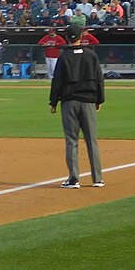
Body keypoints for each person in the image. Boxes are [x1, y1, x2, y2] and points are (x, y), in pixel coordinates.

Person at [49, 22, 105, 189]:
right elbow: (99, 79)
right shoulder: (91, 55)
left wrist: (53, 101)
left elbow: (57, 81)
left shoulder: (64, 57)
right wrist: (99, 100)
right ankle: (97, 178)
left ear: (67, 38)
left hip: (69, 102)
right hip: (88, 101)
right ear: (81, 37)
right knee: (91, 140)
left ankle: (74, 178)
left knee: (71, 140)